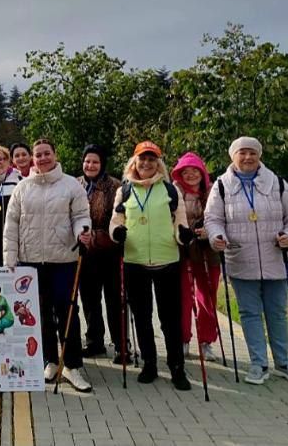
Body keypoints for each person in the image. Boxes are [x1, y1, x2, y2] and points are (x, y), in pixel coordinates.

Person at [205, 136, 288, 385]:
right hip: (241, 259)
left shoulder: (278, 183)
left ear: (259, 155)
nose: (247, 157)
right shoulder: (220, 186)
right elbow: (212, 219)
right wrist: (217, 236)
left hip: (275, 259)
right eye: (242, 153)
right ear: (233, 156)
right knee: (249, 314)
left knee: (277, 313)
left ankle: (283, 362)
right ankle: (258, 363)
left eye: (252, 152)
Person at [3, 138, 94, 393]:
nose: (42, 158)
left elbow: (80, 216)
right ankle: (50, 360)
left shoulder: (71, 185)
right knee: (40, 314)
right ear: (33, 158)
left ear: (55, 154)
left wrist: (81, 232)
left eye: (47, 153)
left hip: (63, 259)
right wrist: (10, 259)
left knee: (67, 312)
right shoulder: (23, 188)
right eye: (38, 155)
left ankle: (73, 365)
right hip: (31, 260)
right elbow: (11, 226)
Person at [109, 141, 193, 391]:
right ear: (134, 162)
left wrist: (183, 236)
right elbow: (115, 221)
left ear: (158, 163)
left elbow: (180, 222)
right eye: (142, 159)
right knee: (142, 317)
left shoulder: (170, 189)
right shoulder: (124, 190)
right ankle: (149, 364)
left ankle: (177, 367)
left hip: (166, 260)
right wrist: (117, 234)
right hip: (135, 261)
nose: (146, 163)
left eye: (151, 159)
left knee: (170, 319)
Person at [76, 144, 127, 362]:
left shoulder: (115, 186)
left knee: (115, 299)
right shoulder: (75, 184)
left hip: (110, 251)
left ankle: (120, 344)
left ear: (102, 164)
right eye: (87, 161)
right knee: (89, 299)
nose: (90, 165)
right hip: (85, 253)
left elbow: (123, 218)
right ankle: (94, 341)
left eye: (95, 161)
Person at [171, 151, 220, 362]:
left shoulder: (212, 192)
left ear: (202, 173)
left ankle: (206, 340)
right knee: (182, 296)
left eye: (195, 171)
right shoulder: (174, 191)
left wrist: (209, 230)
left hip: (207, 251)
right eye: (186, 171)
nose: (190, 175)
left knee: (207, 296)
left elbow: (220, 218)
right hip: (181, 250)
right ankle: (183, 338)